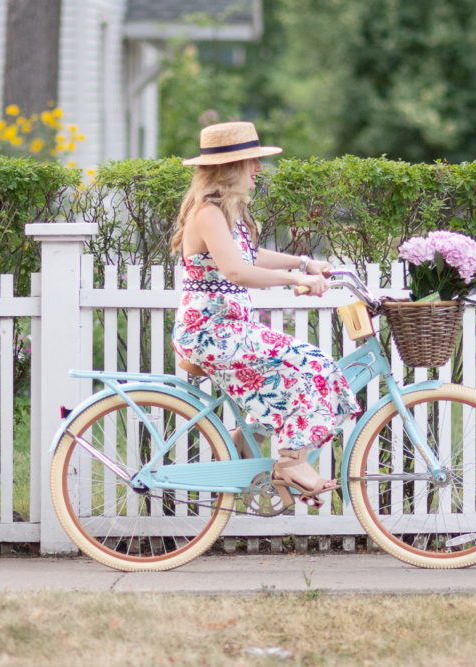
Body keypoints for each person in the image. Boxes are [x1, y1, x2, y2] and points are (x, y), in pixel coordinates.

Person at [170, 121, 360, 507]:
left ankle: (245, 441)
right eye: (252, 161)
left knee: (304, 369)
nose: (258, 168)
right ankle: (290, 462)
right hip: (210, 331)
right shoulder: (207, 213)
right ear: (230, 168)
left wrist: (304, 263)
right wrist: (295, 280)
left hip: (229, 329)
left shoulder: (229, 213)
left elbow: (250, 256)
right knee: (308, 361)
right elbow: (237, 271)